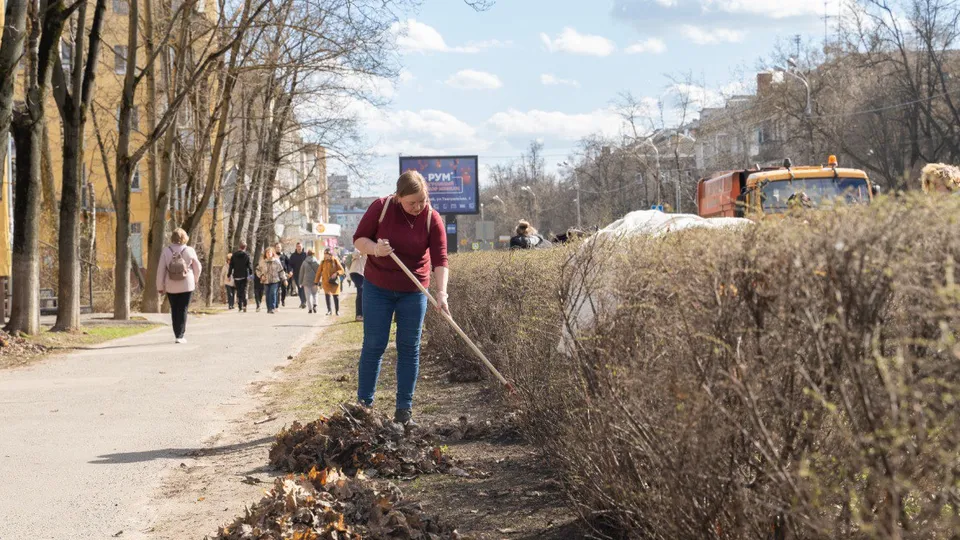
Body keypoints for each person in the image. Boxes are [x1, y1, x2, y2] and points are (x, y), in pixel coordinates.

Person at [352, 170, 449, 425]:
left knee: (409, 348)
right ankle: (364, 407)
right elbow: (359, 240)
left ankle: (404, 411)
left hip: (414, 291)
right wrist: (375, 249)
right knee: (374, 344)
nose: (417, 207)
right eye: (411, 202)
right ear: (398, 197)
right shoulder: (381, 208)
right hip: (378, 287)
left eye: (422, 201)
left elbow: (440, 259)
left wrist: (441, 293)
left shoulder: (431, 218)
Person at [157, 228, 203, 344]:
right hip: (187, 284)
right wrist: (195, 279)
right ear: (184, 237)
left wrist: (160, 286)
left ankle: (176, 333)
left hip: (171, 285)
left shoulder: (166, 251)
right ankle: (180, 335)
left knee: (174, 309)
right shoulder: (189, 250)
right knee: (183, 308)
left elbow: (161, 270)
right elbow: (198, 267)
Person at [256, 247, 286, 314]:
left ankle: (272, 308)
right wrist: (261, 276)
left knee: (273, 293)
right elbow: (257, 270)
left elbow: (281, 271)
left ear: (272, 253)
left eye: (270, 252)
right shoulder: (262, 262)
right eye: (267, 253)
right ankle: (268, 308)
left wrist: (284, 279)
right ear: (265, 254)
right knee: (267, 294)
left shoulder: (276, 261)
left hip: (275, 280)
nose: (269, 254)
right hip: (266, 281)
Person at [317, 248, 345, 316]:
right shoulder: (323, 262)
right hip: (326, 282)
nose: (326, 256)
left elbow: (342, 270)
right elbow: (318, 272)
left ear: (330, 255)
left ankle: (337, 311)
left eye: (327, 254)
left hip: (334, 282)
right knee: (327, 296)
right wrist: (316, 281)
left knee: (336, 296)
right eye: (325, 254)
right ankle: (329, 310)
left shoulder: (335, 261)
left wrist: (336, 273)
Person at [228, 242, 253, 312]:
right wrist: (251, 274)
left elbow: (231, 266)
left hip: (236, 276)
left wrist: (229, 274)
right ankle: (244, 305)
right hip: (244, 276)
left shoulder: (234, 255)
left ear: (239, 247)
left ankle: (240, 306)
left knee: (238, 291)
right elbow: (249, 265)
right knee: (244, 290)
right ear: (245, 247)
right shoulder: (247, 255)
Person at [299, 249, 321, 313]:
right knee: (315, 293)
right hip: (315, 280)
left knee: (308, 295)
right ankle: (315, 304)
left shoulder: (304, 262)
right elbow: (319, 272)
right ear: (314, 254)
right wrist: (320, 281)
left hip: (306, 281)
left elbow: (301, 273)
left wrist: (300, 282)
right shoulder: (317, 262)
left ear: (307, 254)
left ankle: (310, 308)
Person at [348, 250, 367, 322]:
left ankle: (362, 314)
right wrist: (362, 251)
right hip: (355, 272)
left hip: (363, 273)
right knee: (361, 291)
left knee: (363, 292)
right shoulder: (360, 248)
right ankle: (358, 315)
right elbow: (354, 254)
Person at [288, 242, 307, 309]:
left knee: (304, 288)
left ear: (302, 247)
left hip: (305, 275)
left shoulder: (305, 255)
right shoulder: (293, 256)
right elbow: (290, 264)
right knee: (300, 288)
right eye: (298, 246)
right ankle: (303, 302)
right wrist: (290, 271)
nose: (299, 248)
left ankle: (303, 302)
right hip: (297, 275)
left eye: (300, 246)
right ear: (296, 247)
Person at [275, 243, 291, 308]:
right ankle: (277, 301)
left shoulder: (284, 255)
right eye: (277, 247)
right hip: (276, 274)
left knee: (284, 288)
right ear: (275, 248)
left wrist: (290, 271)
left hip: (284, 274)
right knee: (277, 288)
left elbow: (288, 264)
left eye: (279, 247)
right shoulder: (274, 255)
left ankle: (283, 300)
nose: (278, 248)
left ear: (281, 248)